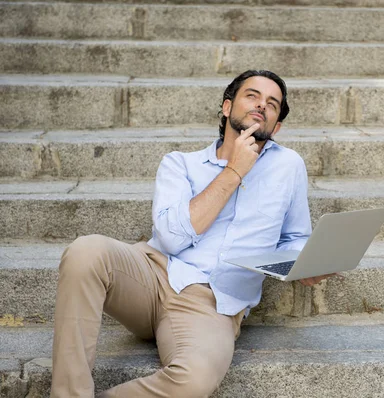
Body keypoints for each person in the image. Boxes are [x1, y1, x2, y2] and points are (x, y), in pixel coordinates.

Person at [50, 70, 332, 397]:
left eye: (272, 104)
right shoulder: (181, 164)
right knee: (86, 252)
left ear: (277, 126)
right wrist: (234, 171)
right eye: (252, 96)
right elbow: (171, 238)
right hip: (152, 274)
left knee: (194, 380)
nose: (261, 106)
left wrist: (305, 264)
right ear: (227, 107)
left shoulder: (289, 166)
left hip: (214, 304)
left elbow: (295, 238)